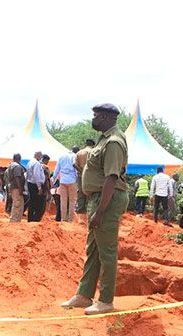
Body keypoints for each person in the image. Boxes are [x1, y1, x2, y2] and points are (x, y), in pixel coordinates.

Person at [61, 103, 128, 315]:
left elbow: (111, 178)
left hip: (106, 200)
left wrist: (100, 211)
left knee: (106, 252)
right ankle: (84, 294)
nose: (94, 119)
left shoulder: (114, 142)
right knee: (94, 249)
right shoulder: (104, 138)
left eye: (97, 115)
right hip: (98, 199)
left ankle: (106, 300)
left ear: (109, 117)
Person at [53, 146, 78, 222]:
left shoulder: (61, 156)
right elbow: (76, 170)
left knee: (63, 200)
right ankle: (70, 219)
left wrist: (54, 178)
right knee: (72, 201)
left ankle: (63, 219)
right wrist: (77, 179)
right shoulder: (75, 157)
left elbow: (56, 169)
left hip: (63, 181)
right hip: (72, 180)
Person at [74, 138, 94, 224]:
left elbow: (74, 165)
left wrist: (82, 171)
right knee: (91, 195)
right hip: (91, 176)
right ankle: (90, 217)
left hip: (80, 176)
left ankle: (80, 219)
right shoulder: (93, 152)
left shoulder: (79, 153)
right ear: (93, 144)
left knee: (81, 195)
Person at [26, 151, 46, 222]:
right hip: (35, 185)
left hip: (30, 183)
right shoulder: (36, 163)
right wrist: (39, 187)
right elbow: (36, 175)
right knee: (38, 203)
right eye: (40, 156)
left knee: (32, 201)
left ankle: (30, 218)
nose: (41, 158)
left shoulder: (29, 162)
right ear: (38, 156)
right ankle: (36, 219)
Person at [7, 153, 26, 222]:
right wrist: (20, 188)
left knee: (20, 203)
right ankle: (14, 219)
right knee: (17, 203)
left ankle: (17, 219)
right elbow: (17, 178)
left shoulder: (12, 165)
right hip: (16, 187)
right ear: (19, 158)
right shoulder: (17, 166)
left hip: (14, 187)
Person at [41, 154, 54, 220]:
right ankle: (40, 217)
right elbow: (47, 179)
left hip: (37, 187)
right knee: (43, 204)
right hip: (44, 188)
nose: (47, 162)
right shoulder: (46, 167)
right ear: (45, 160)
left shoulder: (37, 165)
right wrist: (48, 190)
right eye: (47, 161)